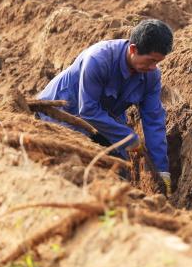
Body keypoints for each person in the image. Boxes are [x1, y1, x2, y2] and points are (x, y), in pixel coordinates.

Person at [36, 19, 174, 193]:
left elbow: (154, 120)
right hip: (63, 114)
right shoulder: (98, 59)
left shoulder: (151, 75)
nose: (154, 67)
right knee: (74, 168)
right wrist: (129, 138)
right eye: (151, 60)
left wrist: (161, 170)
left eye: (158, 62)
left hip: (105, 119)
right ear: (133, 49)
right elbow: (88, 110)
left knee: (120, 167)